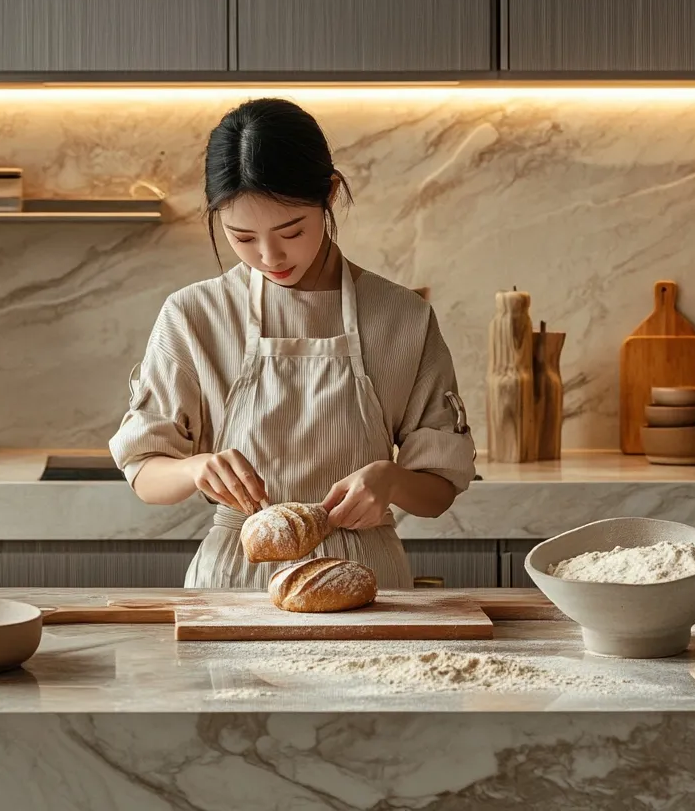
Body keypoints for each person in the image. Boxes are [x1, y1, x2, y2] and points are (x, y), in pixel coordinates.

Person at [109, 98, 475, 588]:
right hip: (236, 582)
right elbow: (144, 471)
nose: (269, 255)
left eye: (292, 230)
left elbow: (439, 492)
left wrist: (390, 479)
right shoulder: (193, 316)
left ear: (329, 194)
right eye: (242, 237)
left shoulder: (402, 317)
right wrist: (197, 467)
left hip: (366, 582)